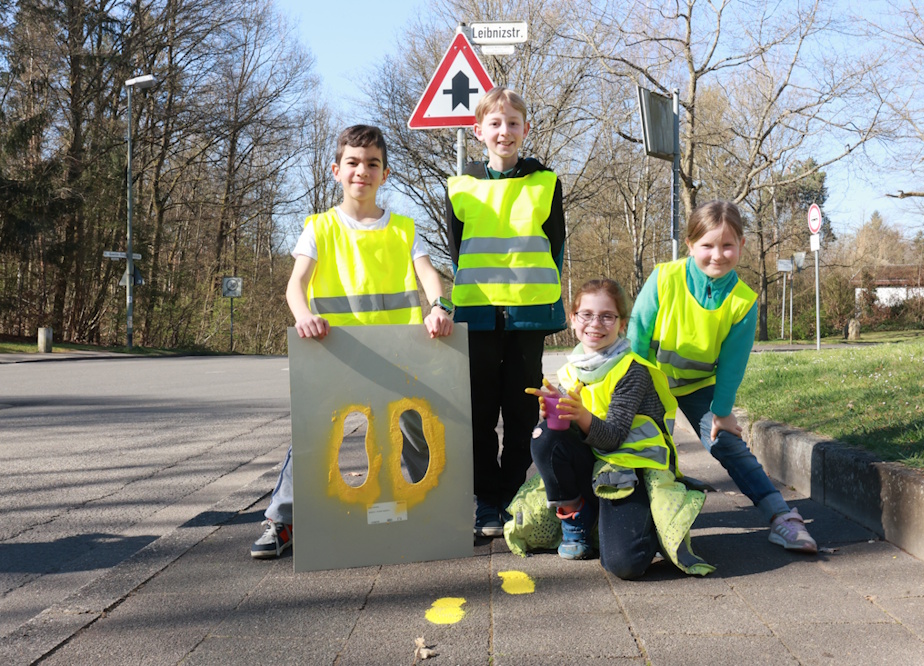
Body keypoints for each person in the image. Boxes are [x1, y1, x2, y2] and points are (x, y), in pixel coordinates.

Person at [252, 124, 454, 559]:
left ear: (385, 173)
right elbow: (296, 286)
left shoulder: (404, 229)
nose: (363, 170)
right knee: (312, 435)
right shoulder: (319, 228)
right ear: (336, 170)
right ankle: (281, 520)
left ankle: (433, 511)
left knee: (418, 431)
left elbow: (428, 276)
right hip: (337, 353)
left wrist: (440, 307)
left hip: (399, 354)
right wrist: (304, 317)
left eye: (372, 164)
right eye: (354, 163)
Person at [627, 200, 818, 553]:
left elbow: (732, 363)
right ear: (690, 245)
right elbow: (637, 337)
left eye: (728, 245)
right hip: (650, 382)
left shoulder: (743, 301)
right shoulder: (664, 278)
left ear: (742, 245)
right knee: (647, 447)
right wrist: (632, 394)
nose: (718, 255)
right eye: (707, 246)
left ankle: (781, 517)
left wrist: (723, 410)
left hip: (698, 385)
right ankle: (646, 520)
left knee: (727, 444)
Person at [445, 86, 567, 538]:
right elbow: (459, 253)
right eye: (495, 123)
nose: (504, 131)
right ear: (479, 132)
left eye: (513, 123)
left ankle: (513, 494)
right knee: (478, 412)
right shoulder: (460, 187)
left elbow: (554, 244)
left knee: (520, 411)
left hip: (528, 314)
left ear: (525, 130)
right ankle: (485, 502)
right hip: (477, 314)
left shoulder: (546, 183)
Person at [527, 278, 701, 580]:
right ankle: (577, 516)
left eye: (607, 316)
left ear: (622, 324)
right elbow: (567, 438)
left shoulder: (632, 369)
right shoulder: (571, 369)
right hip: (593, 464)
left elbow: (612, 438)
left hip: (630, 469)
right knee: (544, 436)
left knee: (624, 565)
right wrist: (554, 415)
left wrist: (579, 415)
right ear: (573, 319)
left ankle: (652, 521)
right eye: (586, 314)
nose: (595, 323)